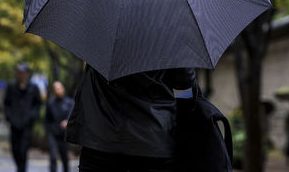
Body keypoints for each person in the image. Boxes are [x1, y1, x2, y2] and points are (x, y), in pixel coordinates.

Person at [66, 65, 196, 172]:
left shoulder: (99, 36)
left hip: (100, 138)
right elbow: (185, 83)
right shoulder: (170, 36)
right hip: (154, 140)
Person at [4, 63, 42, 172]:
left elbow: (38, 104)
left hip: (27, 124)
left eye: (22, 73)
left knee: (23, 149)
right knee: (15, 149)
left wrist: (32, 116)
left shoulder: (34, 88)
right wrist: (9, 117)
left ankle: (22, 169)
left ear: (27, 74)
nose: (20, 75)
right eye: (18, 72)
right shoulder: (11, 87)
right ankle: (19, 167)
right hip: (14, 123)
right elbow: (7, 103)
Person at [45, 81, 74, 172]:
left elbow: (72, 116)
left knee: (64, 158)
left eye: (59, 88)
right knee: (53, 157)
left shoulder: (69, 103)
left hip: (64, 135)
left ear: (63, 89)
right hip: (53, 134)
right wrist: (48, 133)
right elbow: (47, 120)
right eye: (56, 89)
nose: (58, 91)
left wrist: (67, 122)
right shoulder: (50, 104)